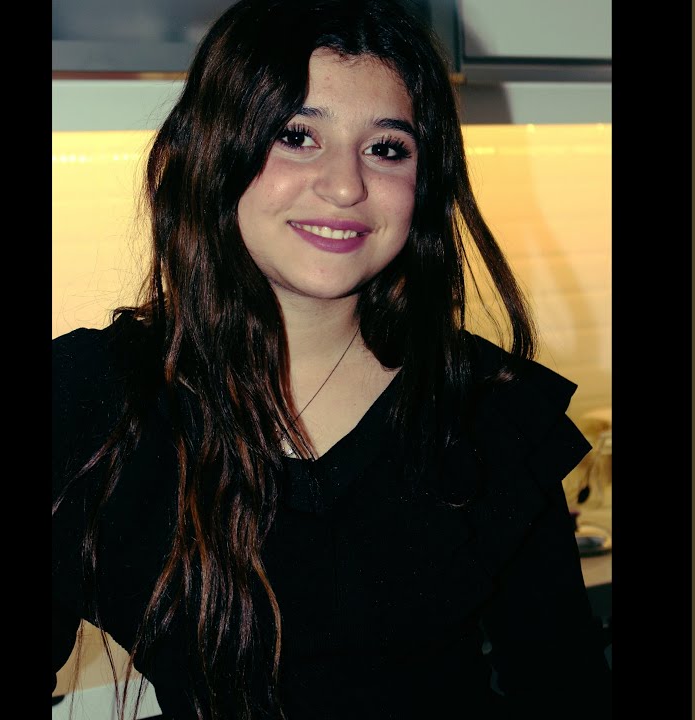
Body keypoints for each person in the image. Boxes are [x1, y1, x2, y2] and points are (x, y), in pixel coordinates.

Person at [51, 0, 613, 717]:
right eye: (296, 136)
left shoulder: (487, 410)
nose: (346, 185)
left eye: (387, 149)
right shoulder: (90, 399)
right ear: (213, 151)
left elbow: (563, 689)